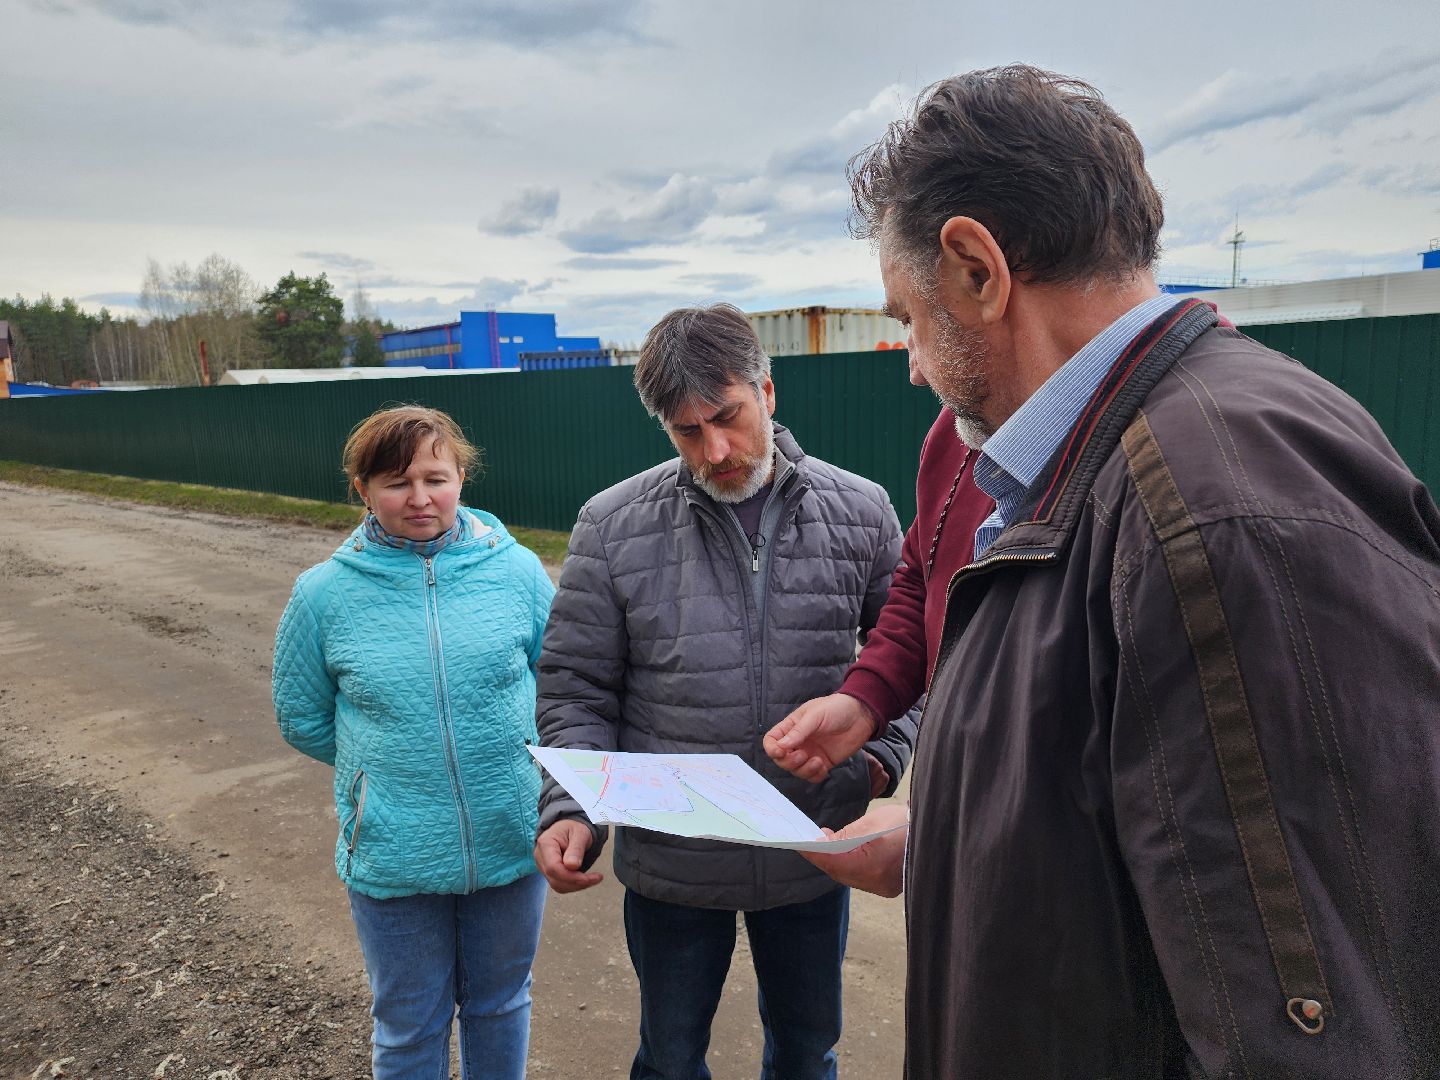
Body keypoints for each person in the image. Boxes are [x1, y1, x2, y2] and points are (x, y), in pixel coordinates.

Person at [766, 65, 1440, 1076]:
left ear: (977, 270)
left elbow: (1313, 1016)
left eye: (904, 315)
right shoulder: (1098, 460)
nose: (907, 358)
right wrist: (944, 841)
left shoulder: (1216, 505)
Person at [532, 302, 919, 1080]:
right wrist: (569, 806)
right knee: (671, 1058)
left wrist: (876, 760)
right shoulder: (611, 527)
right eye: (685, 431)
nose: (715, 450)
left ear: (767, 394)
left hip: (813, 851)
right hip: (674, 862)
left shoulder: (863, 511)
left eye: (727, 417)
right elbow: (575, 687)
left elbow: (910, 659)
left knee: (808, 1054)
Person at [273, 405, 555, 1080]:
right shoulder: (322, 595)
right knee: (408, 1025)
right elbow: (302, 717)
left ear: (462, 476)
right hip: (393, 848)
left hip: (510, 833)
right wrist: (387, 769)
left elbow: (563, 685)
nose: (420, 498)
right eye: (397, 482)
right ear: (362, 489)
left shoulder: (518, 575)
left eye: (437, 477)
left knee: (500, 1003)